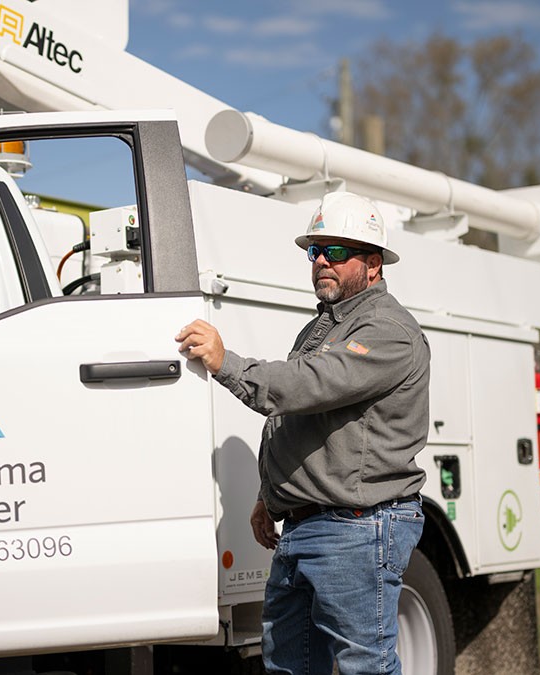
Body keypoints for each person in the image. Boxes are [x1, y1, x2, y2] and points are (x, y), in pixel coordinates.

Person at [175, 192, 430, 675]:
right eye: (314, 251)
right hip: (307, 526)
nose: (320, 262)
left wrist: (225, 362)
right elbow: (298, 421)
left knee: (366, 667)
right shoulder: (323, 327)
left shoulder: (387, 330)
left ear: (373, 264)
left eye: (336, 251)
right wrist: (270, 498)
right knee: (289, 665)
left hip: (357, 528)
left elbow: (305, 386)